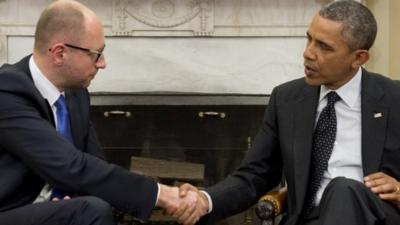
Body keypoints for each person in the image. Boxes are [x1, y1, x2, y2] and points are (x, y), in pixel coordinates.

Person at [173, 1, 400, 225]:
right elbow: (256, 174)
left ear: (358, 58)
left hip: (373, 216)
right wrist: (205, 200)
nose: (308, 53)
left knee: (342, 188)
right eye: (309, 39)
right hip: (307, 218)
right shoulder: (287, 99)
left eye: (324, 46)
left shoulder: (394, 98)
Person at [0, 1, 198, 225]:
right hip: (11, 209)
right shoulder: (7, 91)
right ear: (59, 54)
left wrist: (172, 192)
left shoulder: (76, 95)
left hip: (50, 210)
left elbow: (94, 165)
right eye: (96, 54)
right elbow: (70, 166)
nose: (103, 64)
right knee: (92, 210)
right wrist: (162, 194)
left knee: (98, 202)